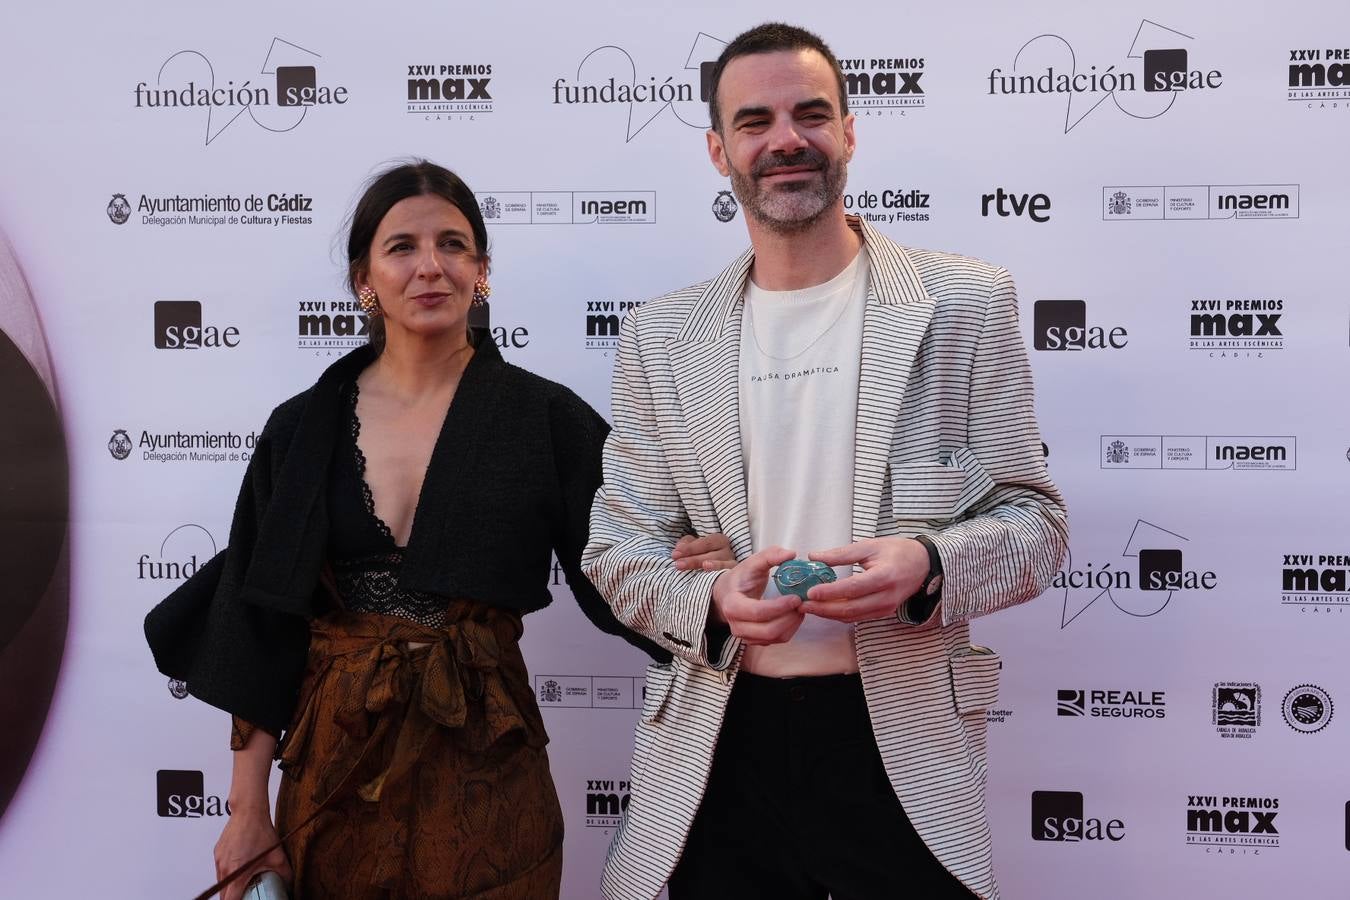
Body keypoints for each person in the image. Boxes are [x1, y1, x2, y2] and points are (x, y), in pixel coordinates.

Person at [144, 160, 735, 900]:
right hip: (334, 769)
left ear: (481, 270)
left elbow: (620, 565)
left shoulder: (544, 417)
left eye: (453, 245)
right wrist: (245, 811)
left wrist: (691, 579)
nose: (431, 266)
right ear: (364, 278)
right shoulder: (299, 430)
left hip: (490, 766)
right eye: (402, 247)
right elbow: (259, 624)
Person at [582, 23, 1069, 900]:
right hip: (718, 746)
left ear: (848, 132)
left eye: (810, 114)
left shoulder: (966, 301)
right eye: (754, 121)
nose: (786, 140)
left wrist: (926, 563)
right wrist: (712, 598)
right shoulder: (660, 335)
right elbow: (619, 555)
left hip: (904, 745)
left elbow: (1037, 528)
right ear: (718, 150)